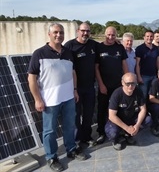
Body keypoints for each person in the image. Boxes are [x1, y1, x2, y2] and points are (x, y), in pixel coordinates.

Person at [28, 23, 87, 172]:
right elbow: (31, 78)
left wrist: (74, 90)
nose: (58, 35)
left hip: (68, 98)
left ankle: (71, 149)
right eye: (55, 32)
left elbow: (72, 73)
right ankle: (51, 157)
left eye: (61, 32)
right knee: (50, 131)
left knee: (69, 126)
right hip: (49, 101)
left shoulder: (68, 53)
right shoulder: (39, 54)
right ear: (49, 34)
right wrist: (37, 99)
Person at [64, 22, 99, 147]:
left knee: (88, 114)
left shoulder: (93, 44)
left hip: (90, 87)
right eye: (83, 31)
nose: (85, 33)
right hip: (75, 88)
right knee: (76, 115)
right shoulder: (69, 46)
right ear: (78, 31)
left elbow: (105, 46)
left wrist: (116, 40)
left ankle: (86, 137)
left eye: (88, 31)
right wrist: (73, 89)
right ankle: (77, 140)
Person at [95, 26, 128, 144]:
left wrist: (127, 81)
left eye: (113, 35)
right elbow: (96, 68)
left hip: (118, 85)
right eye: (108, 35)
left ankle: (119, 130)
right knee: (102, 109)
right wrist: (101, 84)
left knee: (119, 108)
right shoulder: (99, 47)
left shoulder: (120, 47)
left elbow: (124, 64)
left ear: (116, 35)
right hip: (105, 86)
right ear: (105, 34)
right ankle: (101, 132)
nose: (110, 37)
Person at [105, 73, 152, 150]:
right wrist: (126, 128)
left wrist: (137, 125)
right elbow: (111, 116)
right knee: (112, 132)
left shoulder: (138, 92)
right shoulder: (117, 94)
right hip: (118, 120)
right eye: (128, 84)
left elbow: (143, 109)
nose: (130, 86)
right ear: (122, 83)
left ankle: (128, 135)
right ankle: (117, 139)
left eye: (133, 83)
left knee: (148, 120)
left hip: (132, 117)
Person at [135, 30, 159, 101]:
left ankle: (152, 111)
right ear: (144, 37)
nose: (149, 38)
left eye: (151, 36)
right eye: (147, 36)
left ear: (153, 37)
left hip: (154, 76)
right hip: (144, 76)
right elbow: (137, 64)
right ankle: (143, 111)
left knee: (153, 95)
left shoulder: (155, 48)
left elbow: (157, 61)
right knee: (143, 95)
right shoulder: (139, 49)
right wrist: (139, 76)